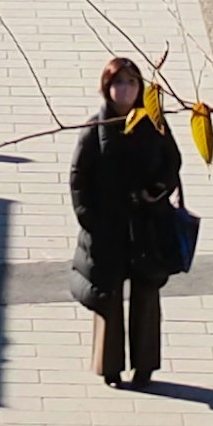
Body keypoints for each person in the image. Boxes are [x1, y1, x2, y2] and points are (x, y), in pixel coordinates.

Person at [68, 51, 186, 388]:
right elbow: (79, 181)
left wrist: (157, 190)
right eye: (118, 82)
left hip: (148, 226)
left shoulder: (154, 123)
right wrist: (91, 221)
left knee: (147, 295)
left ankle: (146, 366)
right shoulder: (95, 130)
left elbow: (172, 162)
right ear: (106, 88)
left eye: (131, 82)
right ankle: (109, 367)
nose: (125, 89)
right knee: (108, 296)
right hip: (108, 229)